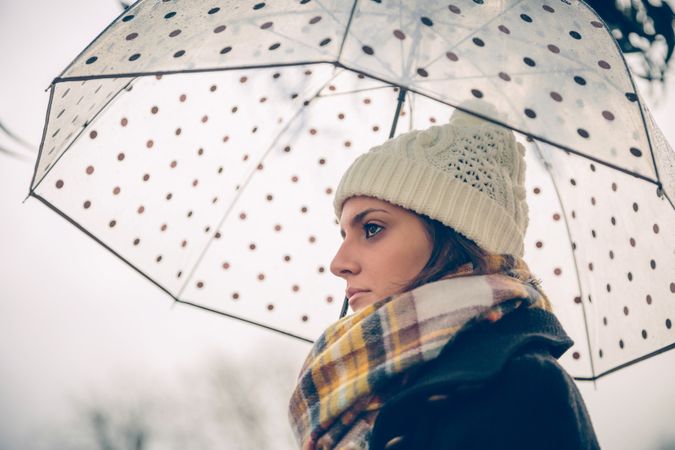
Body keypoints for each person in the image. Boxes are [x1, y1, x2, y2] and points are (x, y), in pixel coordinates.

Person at [288, 105, 601, 450]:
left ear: (454, 238)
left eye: (372, 228)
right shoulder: (356, 392)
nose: (338, 263)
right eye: (343, 235)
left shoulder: (523, 385)